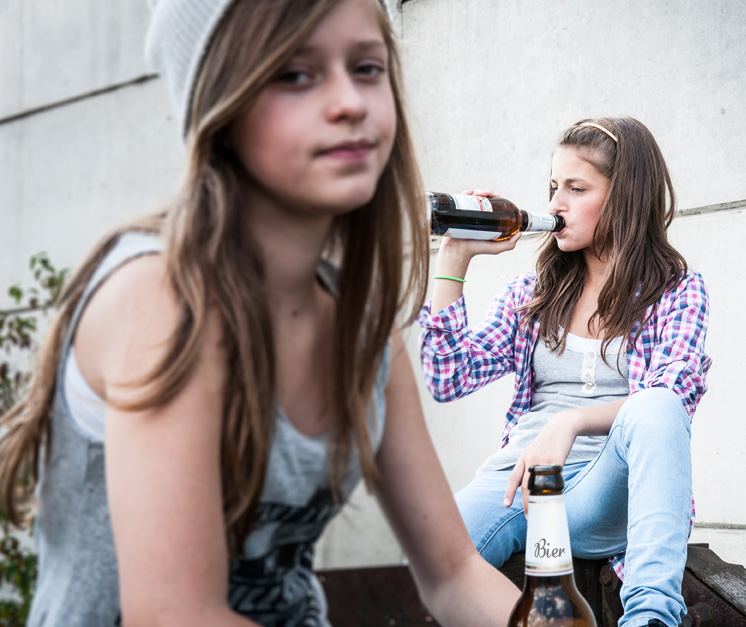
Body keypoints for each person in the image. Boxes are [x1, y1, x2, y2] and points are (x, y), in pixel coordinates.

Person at [0, 0, 521, 625]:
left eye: (367, 67)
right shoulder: (165, 299)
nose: (349, 101)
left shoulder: (360, 329)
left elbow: (453, 571)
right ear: (221, 106)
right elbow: (174, 614)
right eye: (295, 75)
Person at [418, 116, 711, 627]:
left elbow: (672, 396)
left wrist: (570, 421)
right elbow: (447, 376)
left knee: (658, 406)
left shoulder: (677, 291)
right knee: (426, 554)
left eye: (576, 188)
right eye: (554, 187)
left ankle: (651, 618)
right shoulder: (532, 293)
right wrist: (455, 256)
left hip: (604, 492)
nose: (555, 204)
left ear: (626, 196)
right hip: (522, 484)